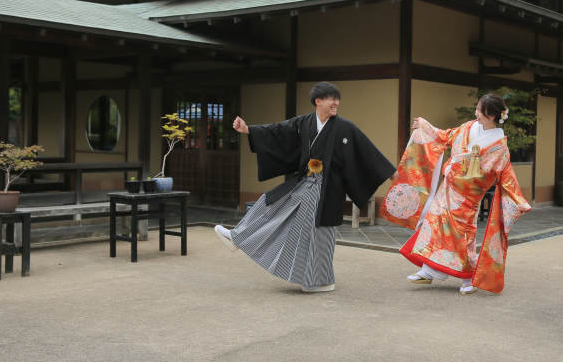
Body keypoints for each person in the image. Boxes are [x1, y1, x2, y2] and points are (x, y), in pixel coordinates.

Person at [215, 82, 397, 293]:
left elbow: (366, 150)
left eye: (337, 98)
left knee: (320, 234)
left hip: (328, 189)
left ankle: (320, 280)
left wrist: (389, 172)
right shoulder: (304, 123)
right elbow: (277, 132)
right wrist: (248, 130)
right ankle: (239, 237)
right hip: (305, 182)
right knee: (271, 202)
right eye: (331, 98)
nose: (336, 102)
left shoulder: (345, 127)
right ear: (318, 101)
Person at [381, 94, 531, 295]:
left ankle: (469, 276)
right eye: (477, 109)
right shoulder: (468, 127)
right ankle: (429, 270)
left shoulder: (499, 147)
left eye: (480, 110)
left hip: (468, 195)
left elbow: (486, 173)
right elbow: (446, 136)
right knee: (435, 225)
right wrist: (427, 127)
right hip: (448, 190)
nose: (476, 113)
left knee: (463, 235)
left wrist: (455, 165)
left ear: (493, 115)